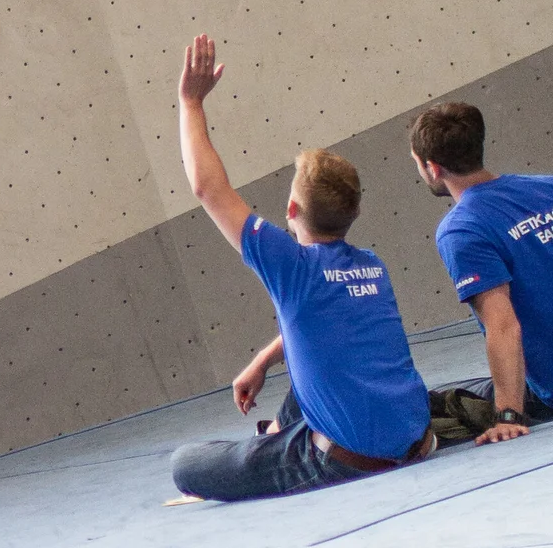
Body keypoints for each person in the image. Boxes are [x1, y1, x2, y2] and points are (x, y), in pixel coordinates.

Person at [172, 36, 434, 502]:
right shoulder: (372, 266)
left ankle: (275, 443)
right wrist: (261, 360)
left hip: (345, 457)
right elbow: (317, 321)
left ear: (291, 208)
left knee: (187, 463)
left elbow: (208, 188)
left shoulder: (292, 268)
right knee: (307, 373)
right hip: (415, 438)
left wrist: (190, 102)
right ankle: (276, 429)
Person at [409, 98, 553, 443]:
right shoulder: (546, 186)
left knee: (428, 406)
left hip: (546, 391)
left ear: (432, 167)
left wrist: (507, 416)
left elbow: (503, 325)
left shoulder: (462, 229)